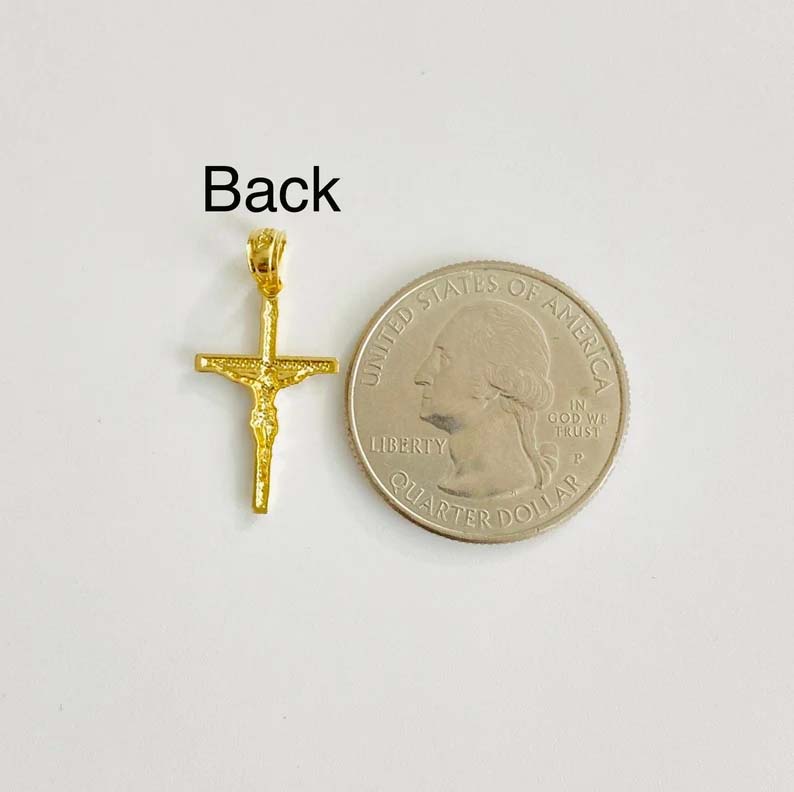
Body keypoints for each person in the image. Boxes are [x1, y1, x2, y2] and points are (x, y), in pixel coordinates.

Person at [414, 301, 557, 498]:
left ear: (497, 379)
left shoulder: (502, 485)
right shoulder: (459, 481)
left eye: (444, 359)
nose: (421, 376)